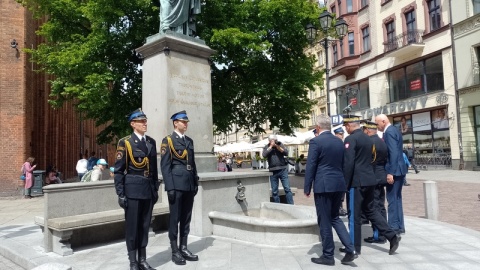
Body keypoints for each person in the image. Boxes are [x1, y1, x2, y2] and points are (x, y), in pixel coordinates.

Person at [343, 114, 401, 255]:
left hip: (357, 182)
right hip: (370, 179)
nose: (346, 129)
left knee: (354, 216)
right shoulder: (369, 139)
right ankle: (392, 236)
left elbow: (348, 163)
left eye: (346, 126)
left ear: (350, 125)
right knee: (371, 211)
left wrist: (344, 184)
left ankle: (353, 248)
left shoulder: (351, 139)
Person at [304, 115, 357, 266]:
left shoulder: (316, 141)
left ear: (318, 127)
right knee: (335, 218)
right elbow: (344, 165)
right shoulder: (339, 141)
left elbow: (311, 166)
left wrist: (307, 187)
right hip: (339, 184)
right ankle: (350, 249)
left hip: (323, 185)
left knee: (325, 220)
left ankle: (328, 255)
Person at [114, 108, 159, 270]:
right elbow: (119, 171)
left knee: (144, 226)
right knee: (132, 227)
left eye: (145, 120)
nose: (144, 123)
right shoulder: (125, 143)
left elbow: (153, 169)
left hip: (147, 190)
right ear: (133, 124)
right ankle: (133, 261)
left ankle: (142, 259)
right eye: (141, 121)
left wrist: (155, 190)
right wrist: (121, 193)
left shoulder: (151, 142)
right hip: (132, 190)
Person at [160, 110, 199, 265]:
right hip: (176, 185)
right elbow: (165, 166)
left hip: (189, 184)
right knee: (174, 219)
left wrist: (195, 181)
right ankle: (175, 250)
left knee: (186, 218)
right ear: (176, 123)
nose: (186, 124)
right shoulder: (168, 140)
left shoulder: (189, 140)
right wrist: (169, 187)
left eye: (186, 121)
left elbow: (193, 163)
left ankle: (184, 247)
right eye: (183, 121)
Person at [375, 114, 407, 235]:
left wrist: (390, 173)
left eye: (377, 123)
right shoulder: (394, 130)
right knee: (397, 199)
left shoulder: (389, 132)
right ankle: (399, 226)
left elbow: (393, 153)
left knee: (392, 199)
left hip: (395, 170)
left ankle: (393, 227)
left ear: (383, 121)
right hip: (400, 169)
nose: (377, 126)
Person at [361, 121, 388, 244]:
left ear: (368, 130)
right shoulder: (381, 141)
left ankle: (379, 235)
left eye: (365, 130)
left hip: (374, 177)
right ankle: (383, 232)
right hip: (381, 176)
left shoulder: (370, 142)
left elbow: (368, 161)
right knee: (381, 206)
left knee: (375, 207)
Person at [262, 134, 294, 205]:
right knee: (274, 191)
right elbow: (264, 155)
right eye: (272, 140)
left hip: (282, 170)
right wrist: (270, 147)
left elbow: (286, 153)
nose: (273, 142)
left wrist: (277, 146)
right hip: (273, 171)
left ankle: (291, 205)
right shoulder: (267, 147)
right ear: (269, 141)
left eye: (274, 140)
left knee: (287, 189)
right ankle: (277, 206)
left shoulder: (280, 144)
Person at [332, 126, 347, 216]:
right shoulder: (334, 144)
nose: (341, 136)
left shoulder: (344, 144)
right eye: (339, 134)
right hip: (336, 170)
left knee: (342, 191)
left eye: (342, 134)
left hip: (342, 170)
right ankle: (338, 207)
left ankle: (340, 207)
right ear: (336, 135)